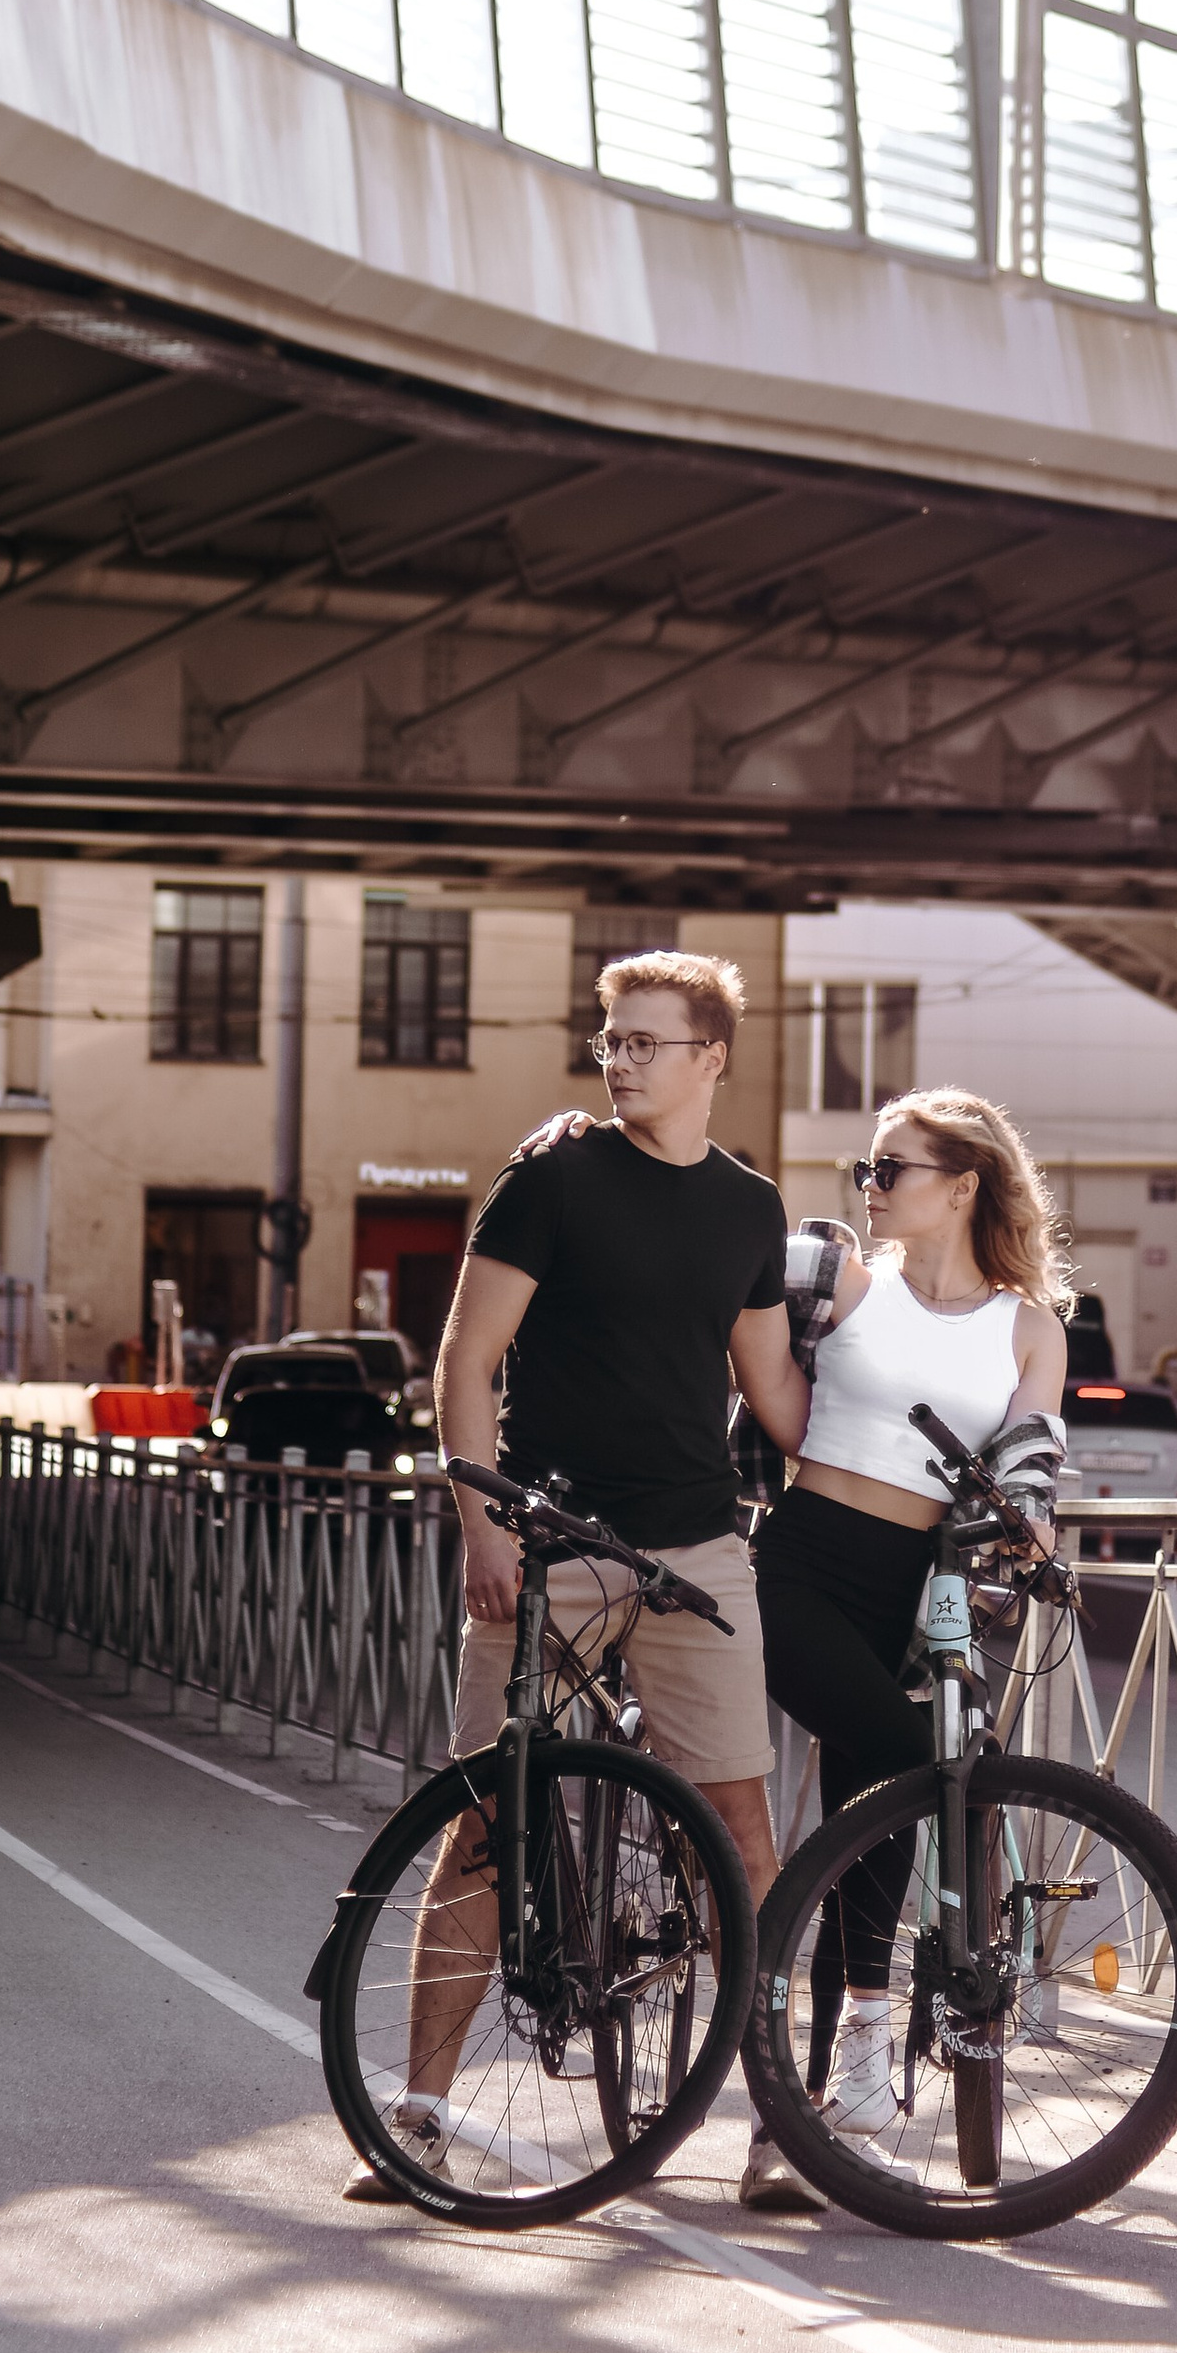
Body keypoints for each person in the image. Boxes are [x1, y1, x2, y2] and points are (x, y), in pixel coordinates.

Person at [342, 948, 813, 2212]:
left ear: (712, 1056)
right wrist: (480, 1523)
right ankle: (423, 2113)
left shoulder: (747, 1208)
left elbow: (771, 1392)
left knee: (744, 1841)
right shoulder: (550, 1177)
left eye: (647, 1042)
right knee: (485, 1829)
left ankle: (781, 2125)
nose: (620, 1060)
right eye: (610, 1039)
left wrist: (905, 1456)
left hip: (694, 1545)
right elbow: (467, 1357)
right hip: (546, 1541)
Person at [753, 1084, 1070, 2164]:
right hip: (801, 1561)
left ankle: (825, 2094)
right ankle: (858, 2054)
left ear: (964, 1184)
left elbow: (1031, 1461)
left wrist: (1028, 1517)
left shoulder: (1028, 1326)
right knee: (903, 1776)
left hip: (921, 1592)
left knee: (871, 1819)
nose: (871, 1186)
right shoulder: (836, 1278)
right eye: (869, 1168)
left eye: (893, 1168)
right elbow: (740, 1339)